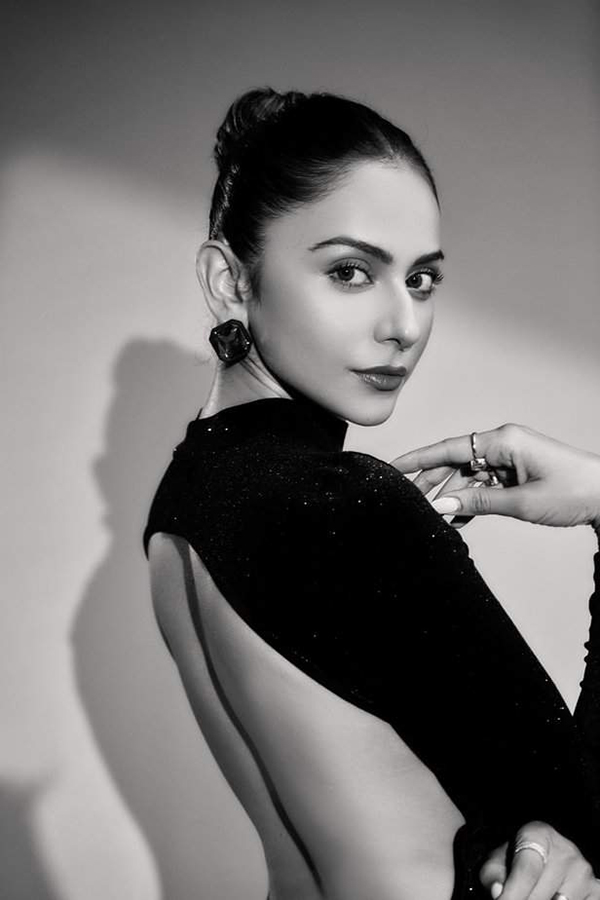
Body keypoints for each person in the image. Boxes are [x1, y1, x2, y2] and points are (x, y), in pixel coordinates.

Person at [144, 87, 600, 900]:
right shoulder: (343, 505)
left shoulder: (183, 500)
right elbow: (591, 816)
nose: (404, 325)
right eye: (350, 272)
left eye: (421, 280)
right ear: (228, 280)